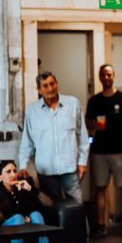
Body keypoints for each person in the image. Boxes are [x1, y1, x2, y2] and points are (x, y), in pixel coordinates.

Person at [18, 71, 88, 204]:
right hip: (46, 172)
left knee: (77, 207)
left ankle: (78, 226)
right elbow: (27, 142)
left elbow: (82, 136)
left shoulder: (73, 104)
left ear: (57, 84)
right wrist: (23, 166)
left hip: (70, 169)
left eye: (52, 84)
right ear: (39, 89)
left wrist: (82, 162)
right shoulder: (32, 111)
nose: (50, 88)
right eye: (45, 86)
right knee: (52, 209)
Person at [85, 64, 122, 237]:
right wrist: (95, 125)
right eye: (103, 75)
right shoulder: (94, 100)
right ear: (99, 77)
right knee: (100, 188)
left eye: (109, 74)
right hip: (100, 150)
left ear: (113, 76)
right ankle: (100, 224)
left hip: (121, 149)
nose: (106, 77)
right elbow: (87, 124)